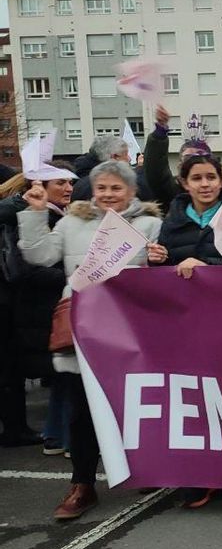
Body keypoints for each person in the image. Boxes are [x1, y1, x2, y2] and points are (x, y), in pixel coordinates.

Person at [18, 161, 162, 520]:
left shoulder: (149, 225)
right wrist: (35, 214)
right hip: (84, 329)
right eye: (102, 188)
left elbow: (161, 279)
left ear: (131, 191)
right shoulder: (70, 222)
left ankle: (143, 468)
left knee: (134, 406)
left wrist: (160, 261)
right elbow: (40, 256)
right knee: (81, 411)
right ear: (92, 190)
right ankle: (82, 484)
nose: (108, 195)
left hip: (132, 330)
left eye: (116, 188)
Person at [0, 167, 74, 449]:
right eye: (60, 182)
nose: (68, 187)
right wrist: (72, 274)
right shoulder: (33, 216)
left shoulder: (63, 216)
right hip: (39, 309)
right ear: (40, 186)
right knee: (61, 372)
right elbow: (30, 267)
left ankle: (55, 435)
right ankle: (58, 435)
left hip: (48, 308)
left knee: (62, 374)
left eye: (70, 182)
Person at [150, 154, 222, 277]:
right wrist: (157, 260)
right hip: (183, 294)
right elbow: (164, 273)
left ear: (221, 181)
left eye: (211, 177)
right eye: (196, 178)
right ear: (185, 183)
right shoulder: (172, 220)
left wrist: (206, 268)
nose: (205, 184)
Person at [143, 105, 214, 208]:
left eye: (199, 156)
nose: (194, 162)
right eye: (188, 158)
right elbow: (156, 170)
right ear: (179, 165)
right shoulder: (173, 194)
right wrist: (160, 133)